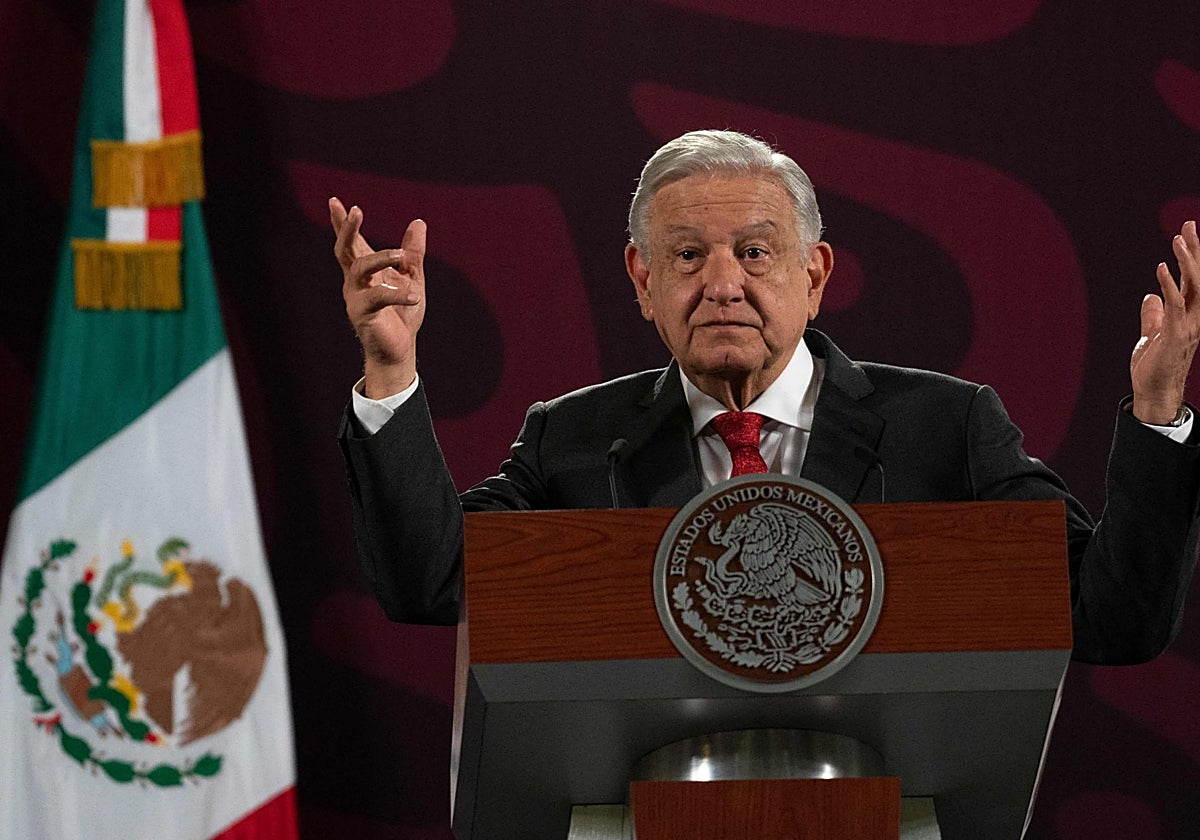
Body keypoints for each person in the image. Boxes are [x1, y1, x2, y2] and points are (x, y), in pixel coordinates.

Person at [333, 130, 1200, 665]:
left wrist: (1159, 413)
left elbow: (1111, 619)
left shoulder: (945, 427)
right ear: (642, 280)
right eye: (686, 256)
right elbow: (431, 581)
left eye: (754, 253)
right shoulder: (574, 439)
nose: (722, 285)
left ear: (813, 275)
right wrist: (390, 372)